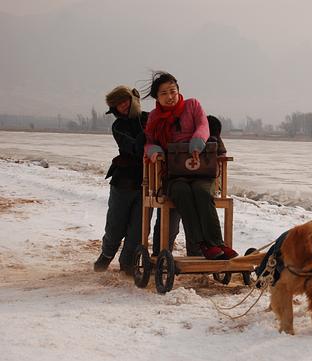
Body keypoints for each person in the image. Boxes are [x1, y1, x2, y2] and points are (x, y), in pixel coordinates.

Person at [142, 71, 238, 260]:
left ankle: (216, 243)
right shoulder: (154, 117)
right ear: (157, 97)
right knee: (182, 192)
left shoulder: (192, 105)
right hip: (173, 175)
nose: (170, 97)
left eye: (172, 91)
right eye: (164, 93)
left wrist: (197, 141)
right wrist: (154, 151)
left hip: (201, 172)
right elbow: (148, 141)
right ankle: (202, 244)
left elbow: (203, 125)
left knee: (202, 192)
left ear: (178, 90)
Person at [93, 86, 147, 274]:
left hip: (148, 183)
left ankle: (128, 262)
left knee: (139, 229)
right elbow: (134, 148)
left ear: (133, 99)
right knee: (116, 224)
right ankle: (107, 255)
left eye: (125, 101)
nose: (123, 106)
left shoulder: (149, 118)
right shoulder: (119, 126)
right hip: (123, 181)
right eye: (118, 104)